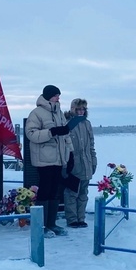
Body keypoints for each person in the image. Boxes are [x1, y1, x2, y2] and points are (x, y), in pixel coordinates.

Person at [26, 85, 74, 237]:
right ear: (48, 96)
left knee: (55, 190)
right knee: (45, 190)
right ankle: (42, 225)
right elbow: (31, 134)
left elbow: (65, 134)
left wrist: (70, 152)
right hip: (44, 160)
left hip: (59, 159)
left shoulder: (59, 113)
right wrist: (51, 132)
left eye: (59, 95)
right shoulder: (36, 113)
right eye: (55, 95)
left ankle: (52, 223)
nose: (58, 98)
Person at [63, 98, 97, 228]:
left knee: (83, 193)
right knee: (72, 193)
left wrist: (93, 161)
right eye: (79, 109)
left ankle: (81, 217)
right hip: (73, 164)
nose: (81, 111)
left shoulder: (87, 124)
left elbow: (91, 145)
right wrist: (66, 164)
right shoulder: (68, 123)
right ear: (73, 109)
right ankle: (72, 219)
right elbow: (64, 145)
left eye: (83, 109)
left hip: (86, 163)